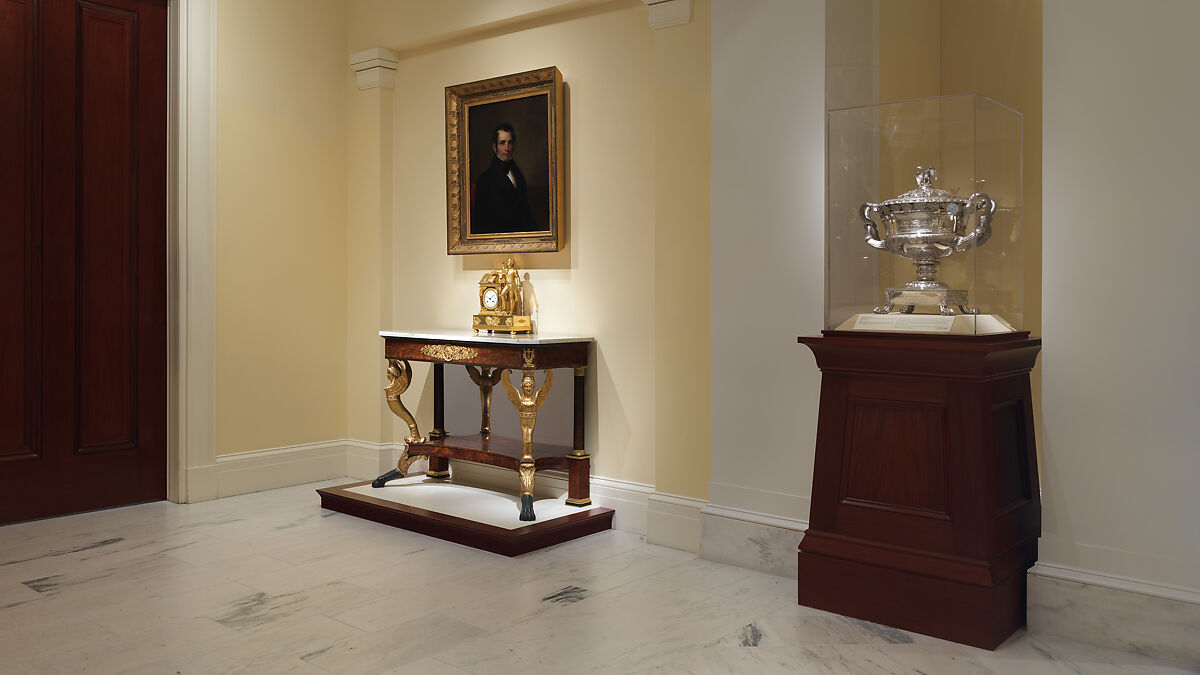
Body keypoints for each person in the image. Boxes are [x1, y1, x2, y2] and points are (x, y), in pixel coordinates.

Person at [472, 123, 536, 234]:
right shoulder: (485, 179)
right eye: (502, 143)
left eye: (510, 143)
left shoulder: (517, 174)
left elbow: (525, 211)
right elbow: (482, 222)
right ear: (494, 147)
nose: (507, 148)